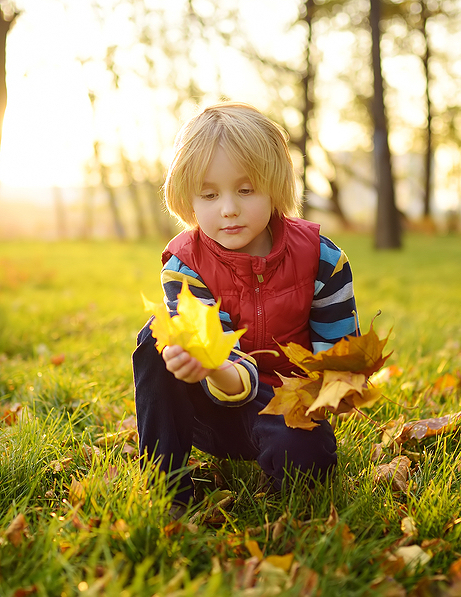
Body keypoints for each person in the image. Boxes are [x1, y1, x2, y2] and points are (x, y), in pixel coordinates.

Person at [132, 102, 359, 509]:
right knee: (157, 337)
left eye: (245, 189)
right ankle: (168, 490)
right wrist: (215, 366)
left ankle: (286, 477)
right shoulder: (185, 265)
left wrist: (325, 393)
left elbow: (338, 365)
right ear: (189, 198)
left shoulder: (322, 260)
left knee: (306, 470)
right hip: (208, 405)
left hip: (287, 409)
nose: (229, 208)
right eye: (209, 193)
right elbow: (219, 352)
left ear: (274, 186)